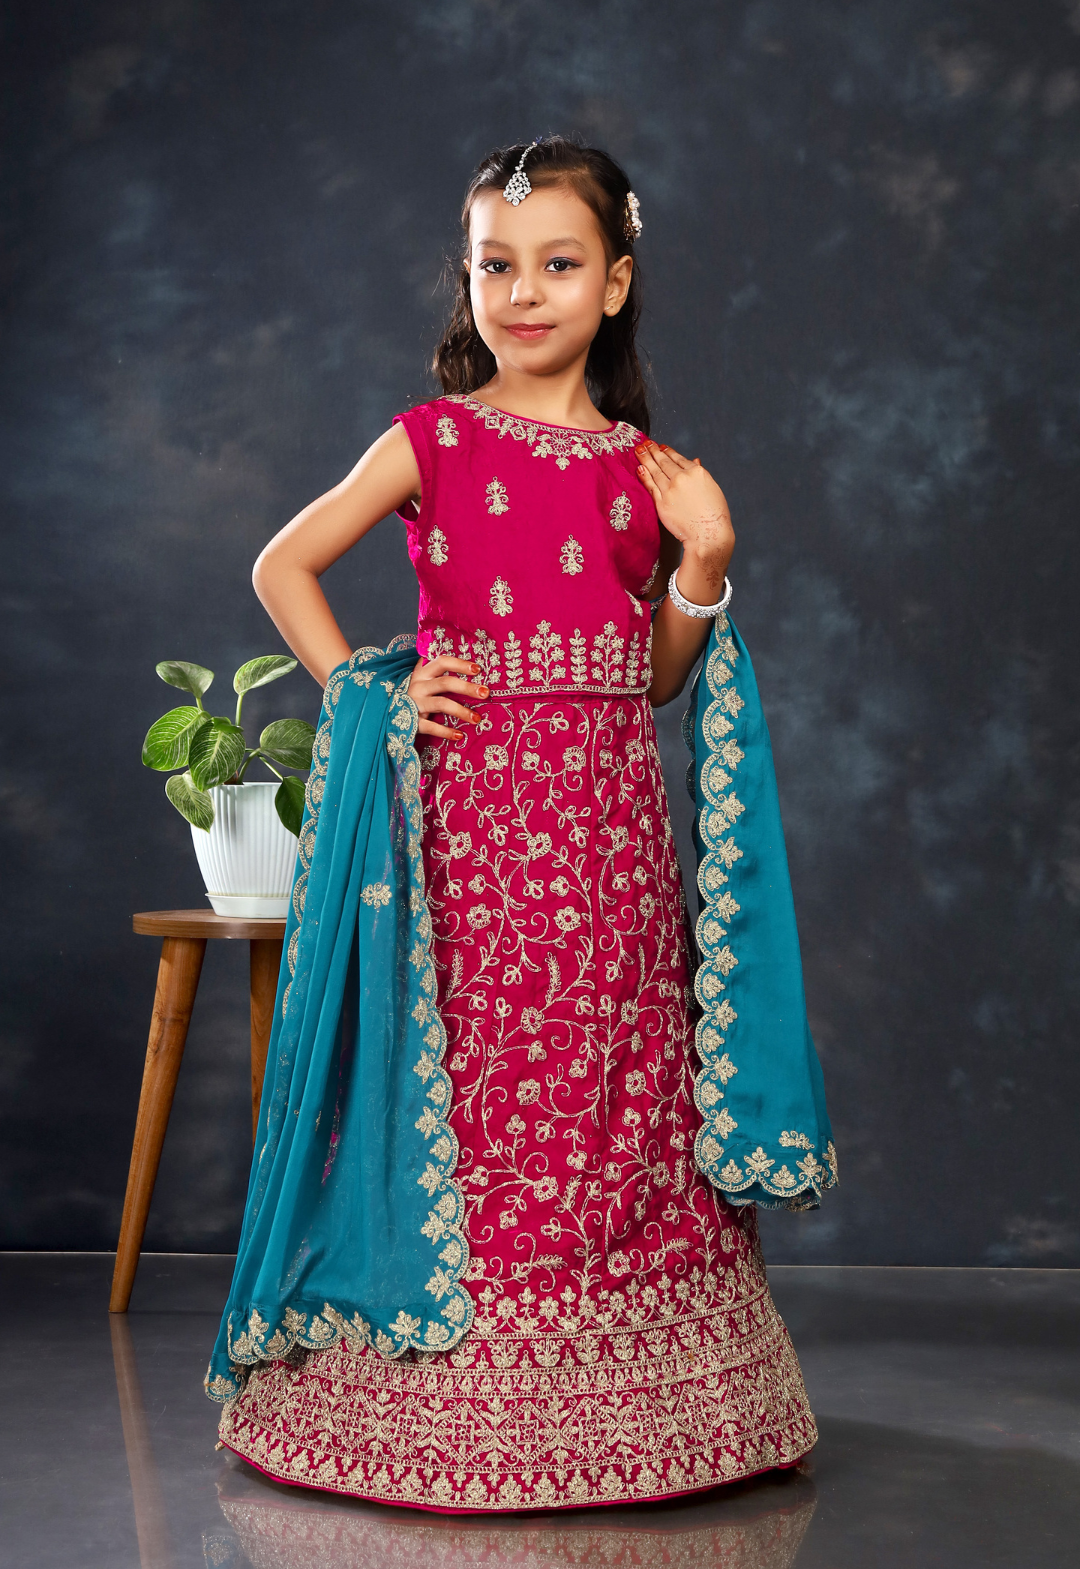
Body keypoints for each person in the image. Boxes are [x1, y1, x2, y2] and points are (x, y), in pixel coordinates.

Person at [206, 136, 836, 1513]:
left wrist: (709, 564)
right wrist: (372, 692)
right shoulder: (433, 441)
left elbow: (661, 678)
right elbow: (284, 565)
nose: (524, 292)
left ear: (616, 282)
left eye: (558, 264)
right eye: (497, 265)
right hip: (475, 843)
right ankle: (448, 1392)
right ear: (470, 280)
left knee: (619, 1088)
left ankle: (654, 1389)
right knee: (486, 1087)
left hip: (612, 852)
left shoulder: (649, 472)